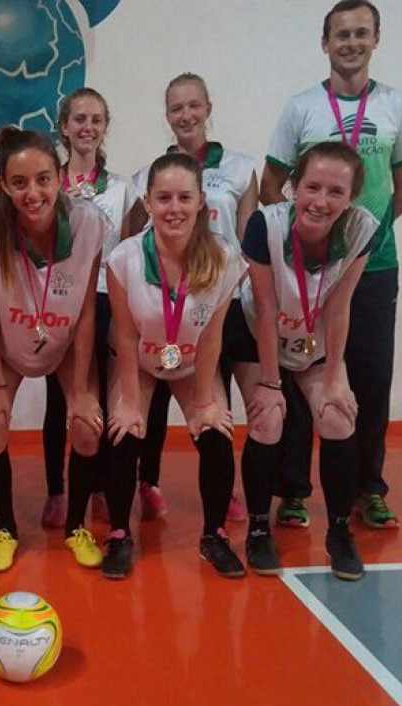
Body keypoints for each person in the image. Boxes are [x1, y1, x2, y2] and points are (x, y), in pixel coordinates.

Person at [260, 0, 402, 529]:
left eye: (360, 33)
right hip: (306, 277)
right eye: (340, 35)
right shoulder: (301, 108)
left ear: (376, 39)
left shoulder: (399, 106)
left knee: (370, 378)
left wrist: (357, 241)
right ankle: (292, 490)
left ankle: (367, 488)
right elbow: (272, 186)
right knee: (298, 375)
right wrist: (308, 247)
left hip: (375, 270)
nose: (350, 43)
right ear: (324, 43)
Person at [234, 142, 379, 580]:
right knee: (268, 420)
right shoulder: (266, 225)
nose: (321, 200)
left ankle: (338, 532)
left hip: (313, 337)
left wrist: (335, 376)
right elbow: (263, 305)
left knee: (337, 416)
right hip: (257, 330)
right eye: (312, 187)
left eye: (336, 191)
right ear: (294, 186)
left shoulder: (362, 230)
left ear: (351, 197)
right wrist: (272, 384)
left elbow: (339, 307)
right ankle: (259, 528)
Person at [105, 152, 246, 579]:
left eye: (184, 197)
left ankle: (214, 536)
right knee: (123, 430)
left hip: (190, 365)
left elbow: (212, 338)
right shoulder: (124, 259)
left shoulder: (222, 258)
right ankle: (118, 536)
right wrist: (130, 402)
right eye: (163, 198)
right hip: (143, 362)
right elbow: (126, 336)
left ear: (201, 201)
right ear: (146, 202)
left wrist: (204, 401)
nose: (174, 208)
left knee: (217, 431)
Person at [0, 128, 107, 572]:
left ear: (59, 178)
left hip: (64, 342)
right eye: (20, 182)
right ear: (4, 186)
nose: (33, 193)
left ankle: (75, 528)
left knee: (88, 426)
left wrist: (83, 387)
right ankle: (6, 529)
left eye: (43, 179)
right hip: (10, 344)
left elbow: (87, 309)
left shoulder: (90, 222)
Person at [131, 73, 258, 523]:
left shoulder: (241, 167)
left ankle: (222, 493)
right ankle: (148, 481)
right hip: (165, 306)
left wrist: (241, 291)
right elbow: (134, 235)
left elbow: (249, 238)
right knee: (156, 397)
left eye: (193, 106)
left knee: (212, 393)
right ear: (167, 116)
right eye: (176, 108)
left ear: (208, 107)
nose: (185, 115)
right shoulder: (150, 173)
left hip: (216, 300)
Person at [39, 87, 145, 529]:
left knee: (100, 396)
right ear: (64, 127)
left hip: (106, 299)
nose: (87, 127)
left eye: (96, 120)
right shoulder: (48, 181)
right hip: (58, 299)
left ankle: (98, 485)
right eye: (79, 119)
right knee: (60, 399)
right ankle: (56, 491)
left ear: (105, 128)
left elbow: (128, 248)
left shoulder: (121, 188)